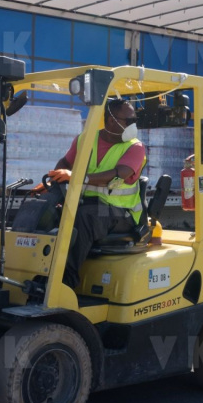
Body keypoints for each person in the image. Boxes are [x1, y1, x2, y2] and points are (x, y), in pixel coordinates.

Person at [47, 98, 147, 289]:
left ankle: (65, 284)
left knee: (84, 217)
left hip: (122, 213)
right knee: (48, 212)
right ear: (111, 121)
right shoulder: (85, 139)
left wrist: (77, 177)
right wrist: (53, 182)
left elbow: (120, 173)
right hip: (91, 204)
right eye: (129, 121)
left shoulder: (135, 147)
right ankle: (39, 274)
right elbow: (65, 162)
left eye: (135, 120)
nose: (134, 125)